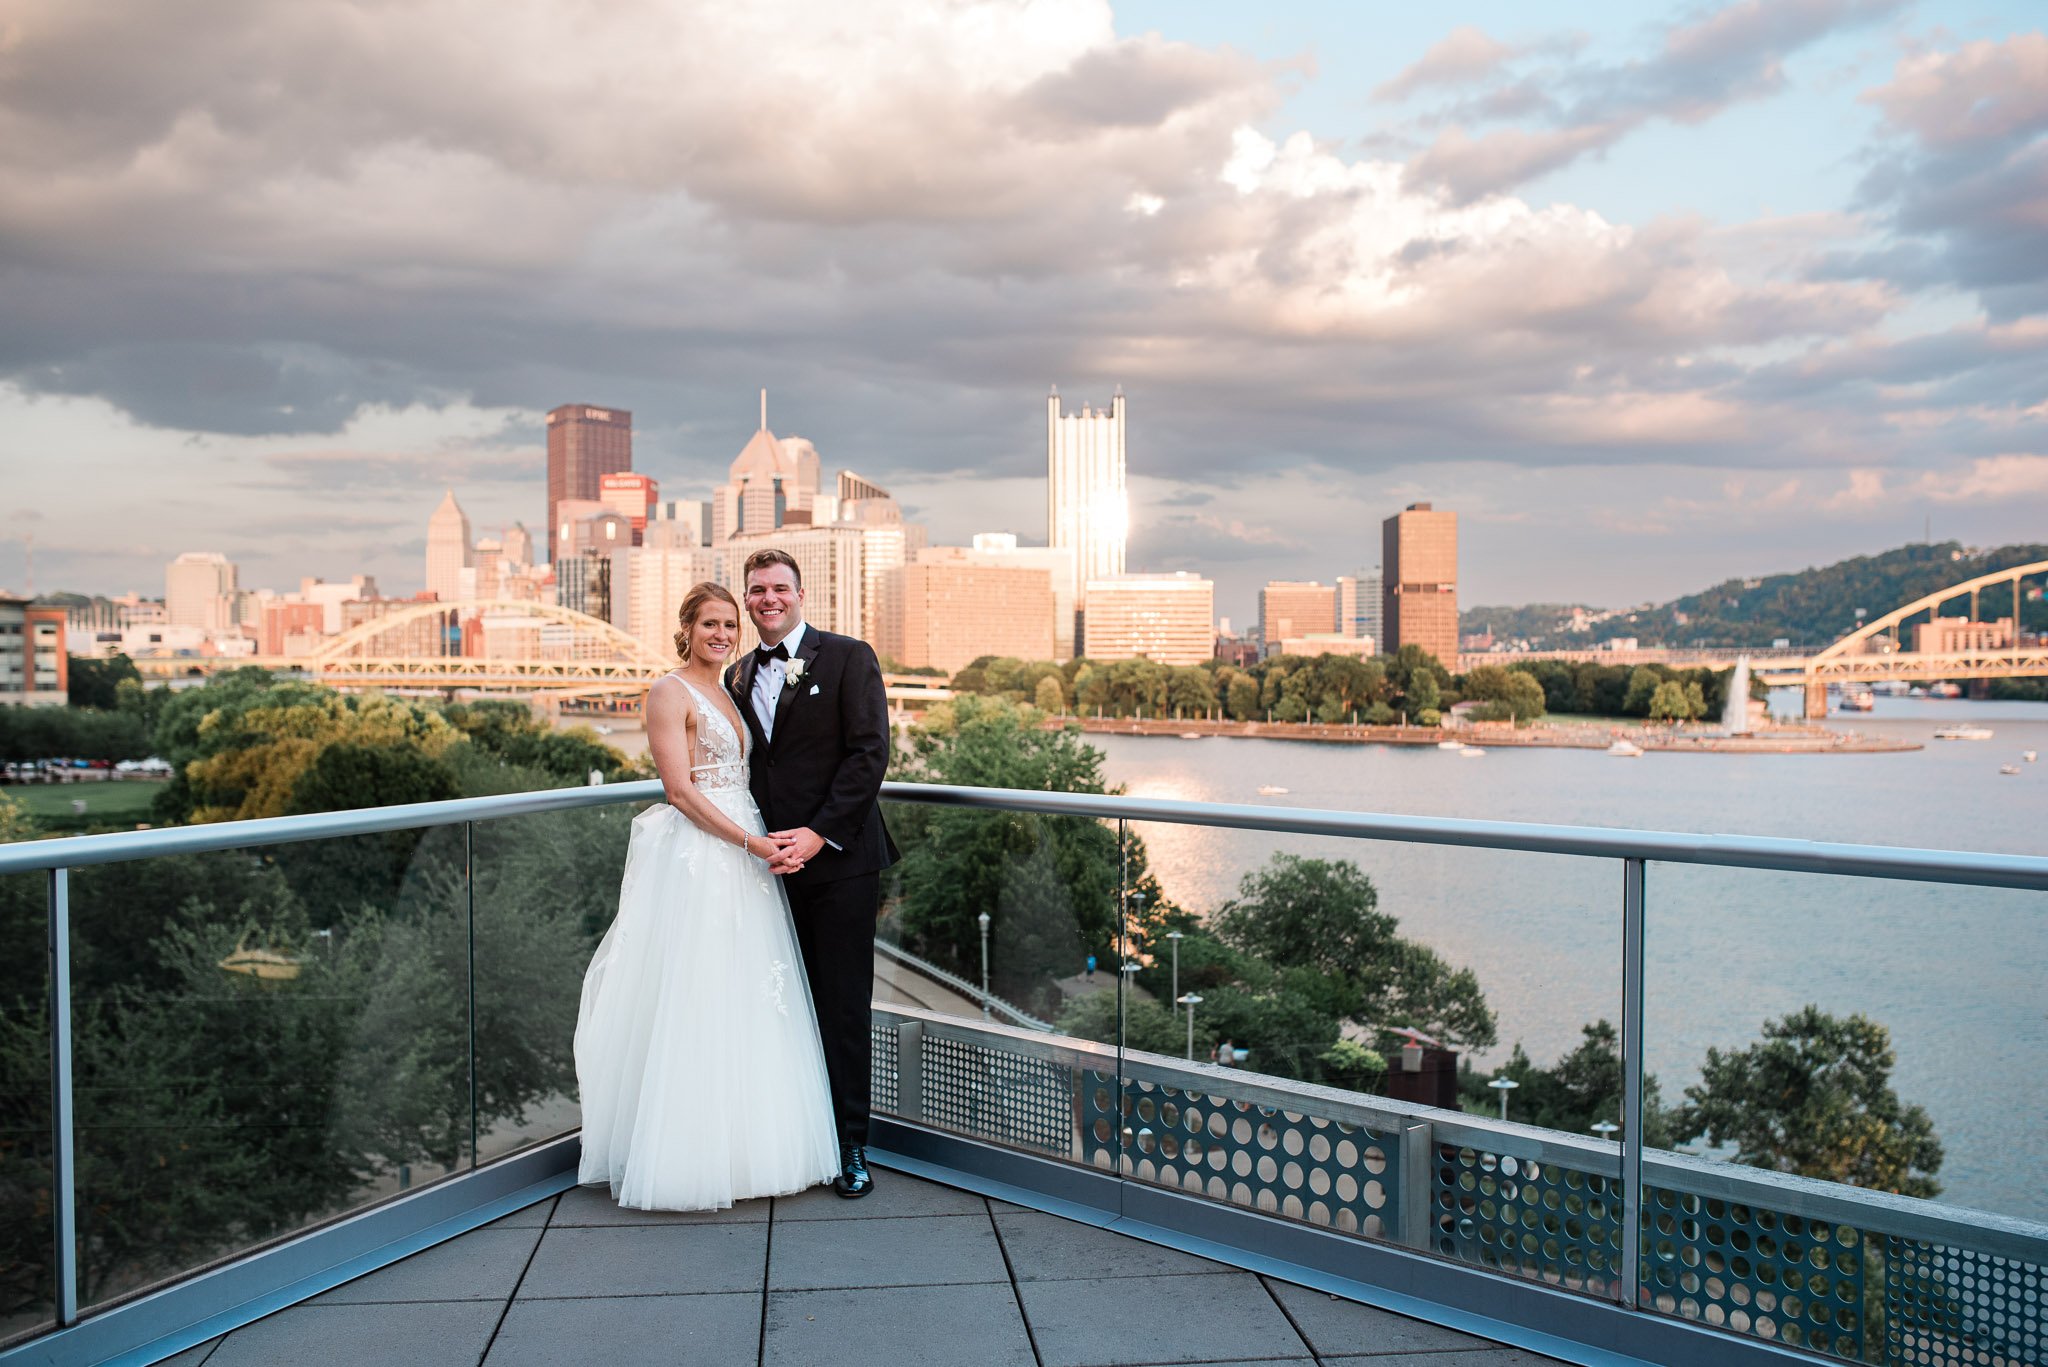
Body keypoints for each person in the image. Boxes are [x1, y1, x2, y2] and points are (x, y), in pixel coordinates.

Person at [574, 582, 839, 1210]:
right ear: (686, 628)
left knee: (746, 994)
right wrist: (752, 844)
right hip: (706, 854)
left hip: (744, 853)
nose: (721, 634)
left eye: (729, 625)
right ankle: (686, 1158)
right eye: (709, 624)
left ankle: (749, 1151)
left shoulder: (730, 688)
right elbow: (681, 793)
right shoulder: (669, 691)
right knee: (695, 995)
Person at [728, 548, 898, 1197]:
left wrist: (818, 832)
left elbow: (869, 752)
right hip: (766, 867)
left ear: (800, 593)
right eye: (757, 590)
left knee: (842, 1008)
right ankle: (791, 1139)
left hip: (839, 863)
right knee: (776, 1006)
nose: (768, 598)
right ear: (748, 600)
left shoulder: (849, 656)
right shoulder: (739, 673)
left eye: (778, 587)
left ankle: (852, 1145)